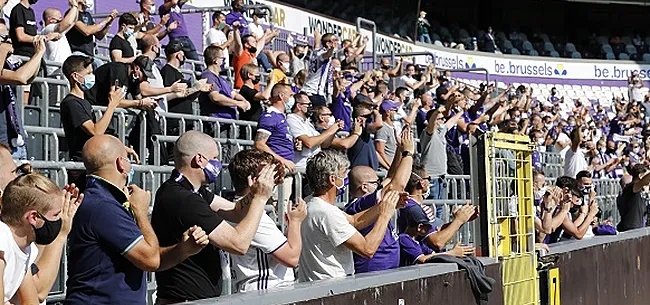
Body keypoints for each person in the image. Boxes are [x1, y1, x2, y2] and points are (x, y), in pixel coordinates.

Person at [65, 135, 208, 305]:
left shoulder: (104, 200)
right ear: (121, 163)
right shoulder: (103, 205)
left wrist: (184, 249)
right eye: (128, 158)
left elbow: (145, 256)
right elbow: (151, 260)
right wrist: (141, 212)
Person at [151, 131, 275, 303]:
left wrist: (256, 191)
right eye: (215, 158)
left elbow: (236, 210)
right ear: (200, 160)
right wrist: (261, 198)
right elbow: (238, 243)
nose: (218, 164)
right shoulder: (184, 199)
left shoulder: (191, 190)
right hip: (184, 299)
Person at [298, 150, 400, 282]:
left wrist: (386, 205)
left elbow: (354, 220)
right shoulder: (326, 213)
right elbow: (367, 249)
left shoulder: (311, 203)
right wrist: (385, 215)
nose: (346, 179)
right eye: (343, 175)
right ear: (332, 179)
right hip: (331, 287)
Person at [227, 149, 306, 292]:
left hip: (256, 290)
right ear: (255, 179)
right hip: (265, 291)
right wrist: (296, 222)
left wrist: (290, 227)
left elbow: (276, 250)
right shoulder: (252, 215)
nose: (274, 179)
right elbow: (291, 258)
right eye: (269, 173)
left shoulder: (233, 209)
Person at [344, 126, 415, 274]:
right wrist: (409, 154)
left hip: (385, 270)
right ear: (364, 187)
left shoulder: (369, 198)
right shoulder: (358, 205)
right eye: (375, 183)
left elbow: (390, 178)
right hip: (372, 272)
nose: (380, 185)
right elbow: (396, 185)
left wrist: (400, 150)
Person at [60, 55, 122, 162]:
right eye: (88, 73)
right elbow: (95, 131)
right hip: (81, 163)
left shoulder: (85, 102)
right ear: (75, 76)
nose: (92, 76)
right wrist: (112, 105)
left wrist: (121, 148)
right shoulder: (71, 103)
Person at [0, 37, 45, 160]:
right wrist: (2, 50)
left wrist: (38, 53)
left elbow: (27, 78)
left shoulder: (5, 65)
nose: (7, 41)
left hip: (16, 142)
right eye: (2, 37)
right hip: (2, 146)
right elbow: (20, 77)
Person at [287, 93, 342, 167]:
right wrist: (330, 130)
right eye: (308, 104)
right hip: (301, 166)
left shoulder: (307, 121)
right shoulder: (292, 119)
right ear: (299, 106)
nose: (311, 107)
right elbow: (309, 143)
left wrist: (334, 131)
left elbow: (324, 145)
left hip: (312, 165)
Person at [198, 45, 250, 122]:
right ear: (215, 60)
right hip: (217, 121)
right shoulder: (208, 76)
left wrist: (244, 101)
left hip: (227, 120)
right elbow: (215, 97)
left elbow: (233, 93)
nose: (224, 61)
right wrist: (237, 103)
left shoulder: (221, 78)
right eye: (223, 58)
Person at [66, 0, 117, 69]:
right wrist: (105, 21)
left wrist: (108, 24)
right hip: (77, 53)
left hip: (90, 55)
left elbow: (99, 36)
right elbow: (86, 31)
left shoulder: (88, 15)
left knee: (103, 68)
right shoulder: (72, 13)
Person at [41, 1, 78, 76]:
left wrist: (75, 6)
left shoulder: (58, 31)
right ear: (51, 19)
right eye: (60, 18)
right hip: (55, 71)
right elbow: (66, 23)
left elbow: (73, 21)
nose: (62, 20)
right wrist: (74, 6)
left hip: (64, 69)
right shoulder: (48, 29)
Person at [302, 33, 339, 106]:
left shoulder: (315, 52)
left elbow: (317, 46)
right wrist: (332, 49)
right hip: (314, 92)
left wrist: (317, 39)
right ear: (328, 43)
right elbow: (326, 55)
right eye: (335, 40)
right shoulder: (322, 54)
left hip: (309, 89)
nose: (337, 42)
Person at [617, 164, 650, 232]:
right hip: (629, 229)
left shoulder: (640, 190)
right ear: (640, 175)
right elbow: (644, 181)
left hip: (638, 228)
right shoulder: (630, 188)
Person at [374, 100, 400, 169]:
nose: (396, 112)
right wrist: (390, 167)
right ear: (388, 112)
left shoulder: (392, 127)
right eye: (395, 110)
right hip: (386, 170)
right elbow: (380, 151)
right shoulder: (383, 128)